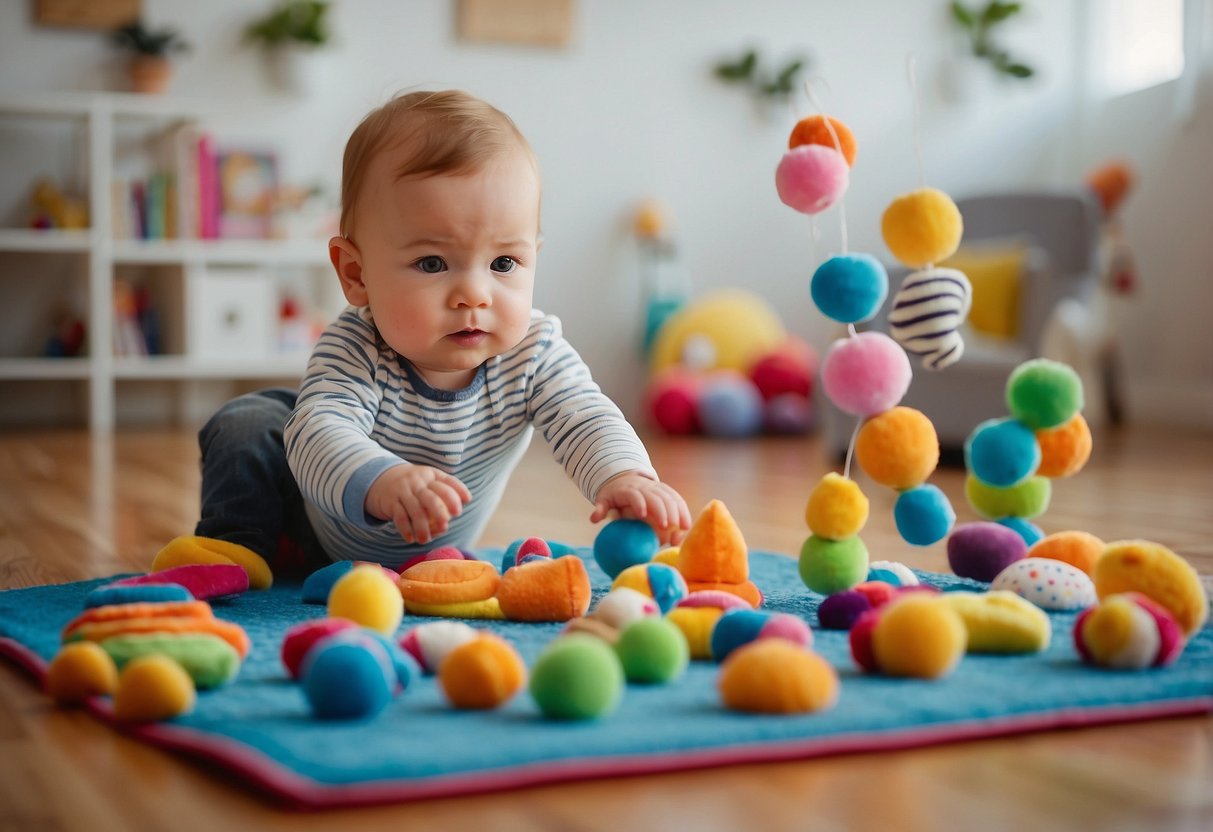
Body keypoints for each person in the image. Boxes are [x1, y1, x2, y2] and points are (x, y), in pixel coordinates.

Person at [176, 90, 690, 578]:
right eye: (432, 262)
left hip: (435, 553)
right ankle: (238, 549)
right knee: (251, 420)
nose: (474, 294)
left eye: (504, 262)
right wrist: (381, 478)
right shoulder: (357, 347)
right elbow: (317, 435)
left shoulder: (533, 353)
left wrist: (625, 477)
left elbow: (584, 414)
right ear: (356, 275)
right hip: (312, 524)